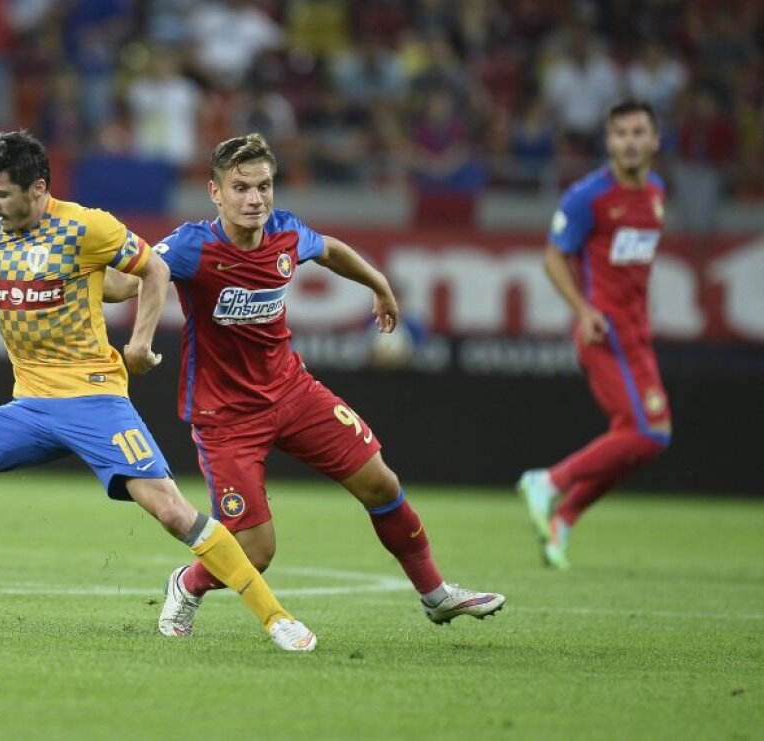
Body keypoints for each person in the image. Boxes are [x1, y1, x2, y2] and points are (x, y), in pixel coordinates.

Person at [0, 130, 316, 651]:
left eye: (0, 194)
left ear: (37, 189)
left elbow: (154, 268)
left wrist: (140, 344)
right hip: (30, 406)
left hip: (96, 401)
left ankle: (275, 617)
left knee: (171, 510)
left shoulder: (85, 226)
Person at [103, 133, 505, 636]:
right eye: (242, 187)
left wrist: (378, 284)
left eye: (264, 187)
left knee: (382, 483)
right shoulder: (192, 245)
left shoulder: (285, 232)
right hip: (227, 417)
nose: (255, 199)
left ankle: (436, 594)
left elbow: (330, 249)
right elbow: (135, 278)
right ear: (215, 192)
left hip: (295, 393)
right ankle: (188, 582)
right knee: (256, 552)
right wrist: (91, 284)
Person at [518, 99, 672, 570]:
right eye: (621, 133)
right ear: (608, 141)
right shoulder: (588, 197)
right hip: (603, 331)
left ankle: (563, 519)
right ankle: (548, 482)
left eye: (638, 132)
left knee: (646, 437)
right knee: (646, 432)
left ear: (654, 139)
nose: (630, 141)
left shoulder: (656, 192)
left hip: (637, 334)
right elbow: (552, 257)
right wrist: (583, 310)